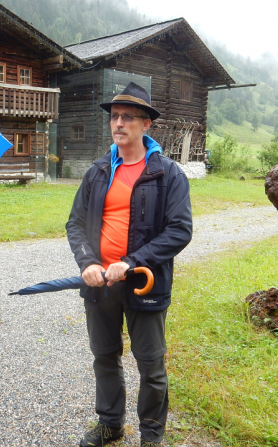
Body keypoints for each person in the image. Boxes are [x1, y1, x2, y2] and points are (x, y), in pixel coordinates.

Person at [66, 82, 193, 447]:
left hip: (144, 283)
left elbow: (179, 231)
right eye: (114, 116)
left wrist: (131, 262)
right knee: (104, 357)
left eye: (127, 117)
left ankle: (152, 435)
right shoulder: (97, 171)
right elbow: (75, 223)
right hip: (100, 284)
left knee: (150, 365)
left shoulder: (168, 174)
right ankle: (110, 425)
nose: (118, 123)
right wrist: (88, 262)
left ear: (146, 124)